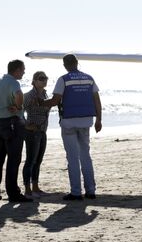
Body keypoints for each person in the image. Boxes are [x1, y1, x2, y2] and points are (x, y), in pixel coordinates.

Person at [43, 54, 102, 200]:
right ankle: (91, 190)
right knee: (86, 155)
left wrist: (39, 102)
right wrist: (99, 120)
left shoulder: (63, 79)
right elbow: (97, 100)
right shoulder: (89, 78)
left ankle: (76, 192)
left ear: (65, 65)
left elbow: (55, 100)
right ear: (77, 63)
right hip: (86, 120)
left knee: (73, 158)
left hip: (69, 121)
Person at [0, 60, 33, 202]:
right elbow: (19, 95)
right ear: (17, 70)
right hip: (11, 123)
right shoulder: (13, 82)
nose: (24, 72)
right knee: (13, 159)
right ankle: (13, 193)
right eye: (23, 70)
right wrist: (18, 107)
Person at [22, 71, 51, 199]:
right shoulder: (28, 95)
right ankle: (27, 189)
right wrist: (26, 125)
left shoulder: (45, 94)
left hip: (43, 131)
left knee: (38, 161)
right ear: (34, 81)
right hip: (32, 132)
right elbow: (18, 111)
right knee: (30, 160)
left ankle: (35, 187)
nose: (44, 80)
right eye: (41, 78)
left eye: (45, 78)